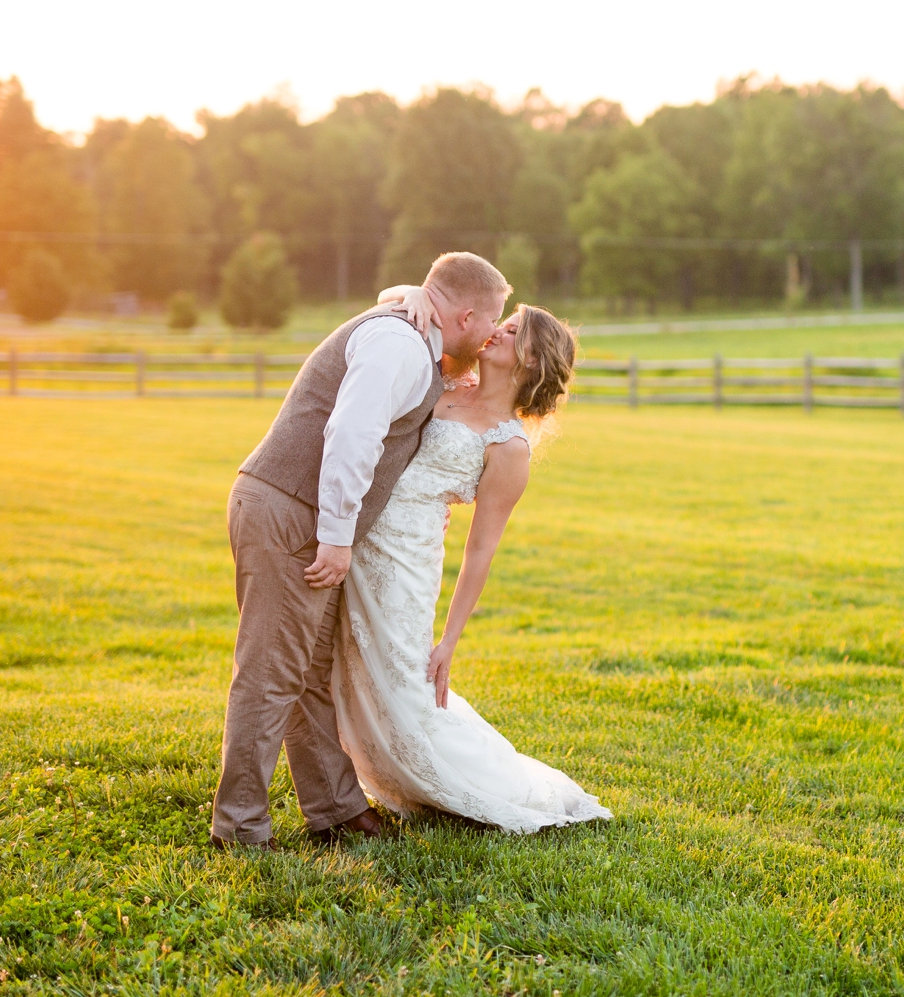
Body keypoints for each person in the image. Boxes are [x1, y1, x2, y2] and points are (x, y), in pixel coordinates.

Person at [210, 252, 507, 848]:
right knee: (272, 672)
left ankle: (336, 810)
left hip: (300, 512)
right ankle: (239, 827)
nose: (494, 334)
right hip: (292, 511)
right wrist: (338, 537)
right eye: (493, 321)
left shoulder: (415, 336)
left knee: (311, 671)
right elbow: (350, 433)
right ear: (467, 315)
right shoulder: (399, 343)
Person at [331, 288, 611, 833]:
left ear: (530, 358)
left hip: (407, 560)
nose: (498, 329)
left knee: (400, 677)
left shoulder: (509, 448)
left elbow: (481, 550)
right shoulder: (447, 380)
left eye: (513, 330)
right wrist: (412, 293)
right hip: (355, 532)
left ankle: (469, 783)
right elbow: (424, 303)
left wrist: (450, 641)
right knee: (345, 662)